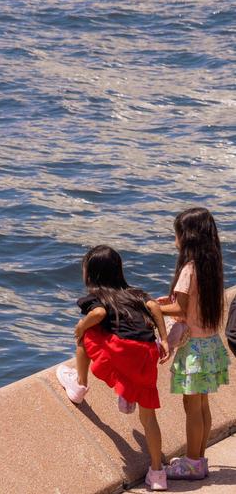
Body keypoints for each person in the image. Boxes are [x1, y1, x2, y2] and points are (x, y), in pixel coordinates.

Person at [56, 245, 170, 491]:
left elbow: (97, 313)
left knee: (87, 335)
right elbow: (154, 308)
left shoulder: (98, 298)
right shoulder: (135, 293)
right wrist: (164, 338)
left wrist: (81, 327)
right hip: (147, 352)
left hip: (124, 352)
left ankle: (79, 385)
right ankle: (158, 474)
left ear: (92, 275)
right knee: (149, 418)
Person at [159, 208, 230, 481]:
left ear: (186, 236)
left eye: (176, 233)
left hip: (193, 351)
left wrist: (151, 306)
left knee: (192, 408)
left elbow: (180, 307)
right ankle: (199, 459)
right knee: (203, 406)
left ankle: (191, 463)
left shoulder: (189, 269)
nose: (174, 239)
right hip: (210, 344)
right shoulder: (212, 267)